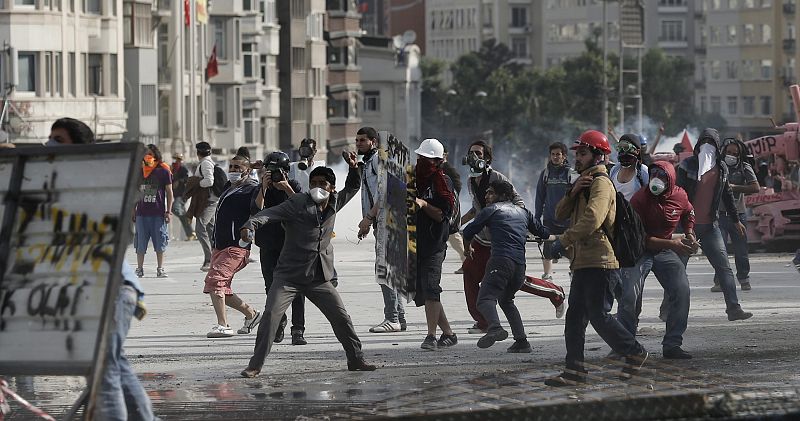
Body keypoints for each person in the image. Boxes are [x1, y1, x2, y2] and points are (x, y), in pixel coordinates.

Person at [46, 117, 157, 420]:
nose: (51, 144)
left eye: (59, 139)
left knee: (103, 369)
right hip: (101, 289)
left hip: (110, 288)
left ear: (79, 147)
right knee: (114, 363)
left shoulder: (93, 184)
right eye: (50, 137)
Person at [239, 164, 377, 377]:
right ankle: (254, 366)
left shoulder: (334, 201)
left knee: (341, 318)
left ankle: (356, 359)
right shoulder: (297, 202)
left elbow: (353, 186)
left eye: (322, 184)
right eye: (313, 183)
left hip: (319, 277)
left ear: (332, 187)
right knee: (270, 317)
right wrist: (250, 226)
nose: (317, 188)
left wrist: (353, 168)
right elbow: (269, 214)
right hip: (288, 276)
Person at [544, 130, 648, 386]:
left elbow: (594, 218)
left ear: (598, 155)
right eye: (577, 153)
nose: (577, 158)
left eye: (582, 153)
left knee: (599, 315)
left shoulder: (601, 183)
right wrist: (572, 192)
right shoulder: (583, 182)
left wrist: (563, 241)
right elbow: (558, 213)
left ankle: (634, 351)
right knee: (574, 320)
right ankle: (574, 372)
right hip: (582, 262)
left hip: (600, 261)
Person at [619, 161, 698, 360]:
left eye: (662, 176)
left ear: (670, 180)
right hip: (639, 250)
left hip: (664, 251)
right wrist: (674, 244)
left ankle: (672, 344)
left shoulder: (679, 195)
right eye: (653, 175)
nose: (656, 180)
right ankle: (626, 345)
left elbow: (688, 211)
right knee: (629, 296)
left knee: (681, 290)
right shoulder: (640, 200)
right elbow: (639, 238)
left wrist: (689, 232)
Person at [462, 180, 551, 353]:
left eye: (490, 193)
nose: (486, 196)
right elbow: (543, 232)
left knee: (484, 299)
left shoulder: (491, 210)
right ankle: (522, 342)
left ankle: (494, 327)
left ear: (502, 196)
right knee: (506, 300)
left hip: (500, 261)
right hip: (519, 266)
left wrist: (467, 249)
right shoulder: (523, 212)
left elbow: (467, 232)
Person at [676, 128, 753, 321]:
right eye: (704, 143)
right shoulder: (687, 165)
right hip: (687, 227)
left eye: (711, 144)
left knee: (724, 268)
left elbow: (727, 195)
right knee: (676, 271)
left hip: (710, 226)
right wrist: (686, 228)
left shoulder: (721, 168)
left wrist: (735, 220)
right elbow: (678, 197)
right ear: (698, 145)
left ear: (717, 147)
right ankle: (667, 310)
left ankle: (734, 309)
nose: (707, 147)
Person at [460, 140, 524, 334]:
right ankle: (484, 321)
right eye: (471, 153)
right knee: (470, 272)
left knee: (513, 282)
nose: (474, 157)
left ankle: (554, 293)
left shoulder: (497, 178)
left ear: (487, 158)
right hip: (481, 239)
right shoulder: (471, 180)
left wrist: (504, 221)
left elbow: (519, 203)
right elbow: (476, 208)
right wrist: (457, 223)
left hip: (499, 241)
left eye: (479, 153)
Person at [202, 155, 263, 338]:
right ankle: (251, 314)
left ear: (247, 170)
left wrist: (256, 173)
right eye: (231, 167)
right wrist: (247, 166)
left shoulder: (252, 188)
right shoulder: (230, 187)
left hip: (236, 246)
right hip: (220, 245)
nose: (233, 170)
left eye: (237, 167)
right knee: (221, 288)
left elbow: (258, 208)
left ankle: (223, 325)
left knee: (215, 281)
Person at [355, 127, 407, 334]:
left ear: (374, 142)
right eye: (357, 140)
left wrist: (368, 218)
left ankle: (391, 318)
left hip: (387, 220)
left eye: (362, 140)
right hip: (382, 222)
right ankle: (399, 318)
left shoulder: (378, 160)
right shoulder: (369, 162)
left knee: (384, 270)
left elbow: (385, 192)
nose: (358, 143)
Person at [253, 151, 307, 345]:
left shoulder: (293, 186)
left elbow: (302, 209)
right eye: (270, 171)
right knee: (271, 287)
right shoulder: (261, 188)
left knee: (297, 288)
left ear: (286, 171)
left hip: (291, 244)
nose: (274, 174)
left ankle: (298, 329)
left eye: (278, 171)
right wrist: (264, 187)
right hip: (268, 244)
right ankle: (279, 323)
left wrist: (286, 188)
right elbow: (256, 210)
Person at [413, 138, 458, 350]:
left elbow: (442, 215)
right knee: (423, 292)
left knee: (432, 289)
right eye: (421, 158)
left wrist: (423, 204)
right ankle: (448, 333)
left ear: (438, 162)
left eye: (427, 159)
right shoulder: (414, 180)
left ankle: (431, 336)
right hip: (415, 243)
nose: (422, 162)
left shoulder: (442, 182)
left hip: (435, 243)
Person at [713, 139, 759, 292]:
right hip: (719, 215)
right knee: (720, 251)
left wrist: (734, 188)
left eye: (735, 154)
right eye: (729, 153)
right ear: (723, 152)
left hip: (738, 216)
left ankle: (744, 279)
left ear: (740, 155)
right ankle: (719, 281)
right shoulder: (717, 167)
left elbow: (755, 187)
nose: (731, 156)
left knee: (741, 250)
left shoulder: (744, 167)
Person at [534, 142, 577, 281]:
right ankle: (547, 275)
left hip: (568, 218)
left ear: (564, 156)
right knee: (547, 246)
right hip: (549, 218)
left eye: (558, 154)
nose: (555, 157)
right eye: (553, 154)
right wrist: (537, 217)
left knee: (571, 246)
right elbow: (539, 197)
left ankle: (573, 272)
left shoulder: (571, 173)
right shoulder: (545, 173)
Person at [133, 144, 173, 278]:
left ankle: (160, 268)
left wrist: (169, 211)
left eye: (150, 153)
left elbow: (169, 193)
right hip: (141, 214)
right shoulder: (139, 171)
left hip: (158, 214)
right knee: (140, 243)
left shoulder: (163, 170)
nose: (147, 156)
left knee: (160, 242)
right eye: (145, 154)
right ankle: (139, 269)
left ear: (156, 155)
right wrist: (133, 210)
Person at [441, 144, 466, 274]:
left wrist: (450, 199)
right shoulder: (436, 167)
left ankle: (467, 263)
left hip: (449, 207)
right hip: (442, 207)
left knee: (454, 237)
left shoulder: (448, 168)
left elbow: (457, 185)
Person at [194, 141, 218, 271]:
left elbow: (209, 180)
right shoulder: (207, 162)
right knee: (211, 229)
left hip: (209, 201)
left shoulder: (205, 163)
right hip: (209, 200)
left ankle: (209, 259)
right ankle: (216, 258)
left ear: (198, 153)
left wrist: (197, 184)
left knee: (200, 227)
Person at [609, 133, 649, 201]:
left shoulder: (643, 171)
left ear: (637, 151)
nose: (622, 151)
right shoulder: (614, 170)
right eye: (619, 147)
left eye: (626, 147)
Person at [171, 153, 195, 240]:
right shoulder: (172, 169)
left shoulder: (183, 169)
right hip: (175, 194)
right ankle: (190, 233)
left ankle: (187, 219)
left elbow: (188, 179)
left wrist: (179, 181)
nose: (177, 161)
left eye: (178, 159)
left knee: (176, 209)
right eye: (175, 159)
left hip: (182, 194)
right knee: (182, 215)